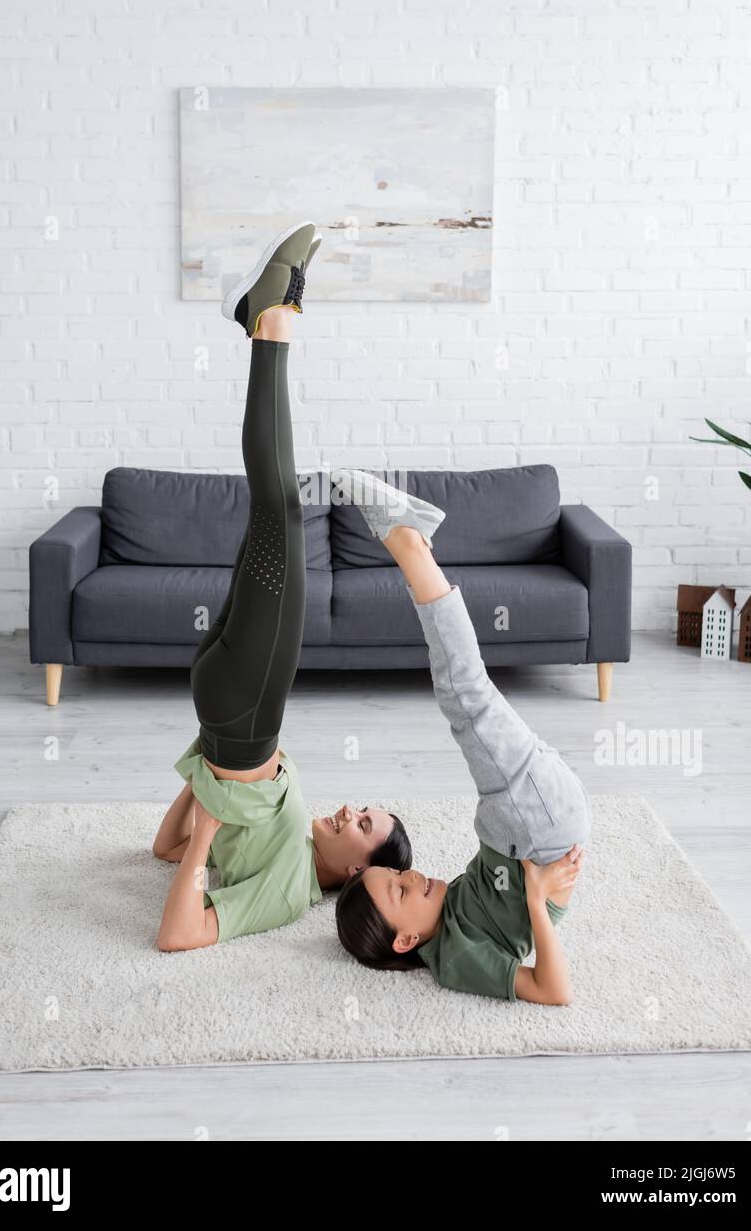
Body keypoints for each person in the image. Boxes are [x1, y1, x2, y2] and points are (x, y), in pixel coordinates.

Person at [154, 224, 411, 952]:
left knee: (279, 505)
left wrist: (206, 833)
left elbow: (179, 935)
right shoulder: (296, 841)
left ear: (356, 873)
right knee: (275, 507)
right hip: (230, 710)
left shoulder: (291, 889)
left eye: (361, 826)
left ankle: (270, 323)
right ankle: (263, 321)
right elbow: (160, 848)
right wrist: (203, 793)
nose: (348, 813)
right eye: (364, 812)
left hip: (240, 711)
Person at [333, 469, 592, 1005]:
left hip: (524, 820)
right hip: (531, 828)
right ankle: (407, 543)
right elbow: (555, 991)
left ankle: (414, 545)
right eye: (402, 890)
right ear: (406, 940)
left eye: (399, 877)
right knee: (466, 695)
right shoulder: (452, 960)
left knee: (468, 695)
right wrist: (538, 901)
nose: (415, 876)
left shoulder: (446, 920)